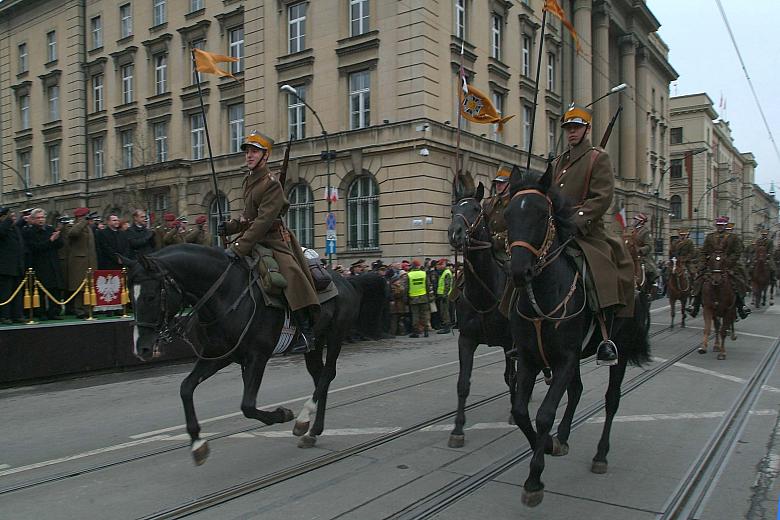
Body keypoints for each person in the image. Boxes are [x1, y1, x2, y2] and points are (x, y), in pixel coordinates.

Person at [218, 130, 320, 347]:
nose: (249, 155)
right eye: (247, 151)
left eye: (255, 151)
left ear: (266, 156)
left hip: (273, 239)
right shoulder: (249, 181)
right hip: (254, 238)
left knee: (289, 275)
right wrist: (230, 226)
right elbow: (248, 217)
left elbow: (263, 221)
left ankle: (306, 331)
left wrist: (238, 246)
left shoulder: (271, 183)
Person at [552, 104, 634, 366]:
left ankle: (606, 336)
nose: (571, 133)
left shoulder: (598, 158)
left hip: (585, 231)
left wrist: (577, 221)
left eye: (576, 128)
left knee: (600, 272)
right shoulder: (558, 162)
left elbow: (601, 198)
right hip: (555, 229)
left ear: (587, 129)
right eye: (568, 128)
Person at [688, 216, 750, 319]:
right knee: (699, 280)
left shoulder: (733, 237)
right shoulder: (710, 237)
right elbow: (704, 251)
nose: (719, 227)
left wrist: (728, 261)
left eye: (721, 225)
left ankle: (741, 306)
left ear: (725, 225)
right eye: (718, 225)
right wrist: (703, 262)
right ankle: (695, 305)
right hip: (712, 266)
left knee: (738, 281)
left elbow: (737, 251)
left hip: (728, 265)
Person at [27, 208, 65, 320]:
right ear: (33, 219)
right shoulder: (30, 232)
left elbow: (59, 245)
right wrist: (50, 240)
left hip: (53, 263)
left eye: (42, 217)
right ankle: (41, 313)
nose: (41, 220)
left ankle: (54, 312)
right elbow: (35, 247)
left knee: (54, 289)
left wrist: (58, 237)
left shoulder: (49, 229)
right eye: (38, 218)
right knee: (41, 290)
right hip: (40, 264)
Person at [65, 207, 98, 319]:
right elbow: (73, 233)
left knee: (89, 286)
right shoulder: (71, 226)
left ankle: (88, 308)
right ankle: (79, 310)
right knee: (79, 287)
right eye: (86, 216)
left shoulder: (88, 228)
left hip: (90, 262)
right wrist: (84, 221)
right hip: (78, 262)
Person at [0, 208, 26, 323]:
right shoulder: (3, 227)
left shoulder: (14, 228)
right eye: (10, 216)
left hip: (17, 266)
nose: (13, 218)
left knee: (17, 292)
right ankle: (5, 315)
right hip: (5, 267)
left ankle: (17, 314)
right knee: (6, 293)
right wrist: (7, 221)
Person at [484, 166, 512, 257]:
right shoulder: (489, 203)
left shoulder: (513, 203)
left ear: (509, 184)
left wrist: (496, 240)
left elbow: (514, 229)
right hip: (486, 246)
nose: (498, 186)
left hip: (505, 250)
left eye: (502, 183)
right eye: (497, 183)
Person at [627, 212, 658, 292]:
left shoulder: (646, 232)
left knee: (649, 269)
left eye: (636, 220)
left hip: (642, 256)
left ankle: (651, 284)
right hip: (631, 254)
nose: (633, 221)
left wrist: (640, 250)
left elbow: (649, 246)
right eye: (634, 220)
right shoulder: (631, 231)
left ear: (641, 221)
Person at [407, 259, 430, 338]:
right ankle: (426, 330)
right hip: (423, 296)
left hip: (413, 298)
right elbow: (427, 285)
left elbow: (407, 287)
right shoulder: (424, 273)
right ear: (419, 266)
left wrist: (406, 298)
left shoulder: (409, 275)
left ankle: (416, 332)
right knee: (424, 314)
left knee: (415, 315)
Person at [435, 259, 453, 334]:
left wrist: (444, 295)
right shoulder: (444, 273)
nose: (437, 267)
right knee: (443, 311)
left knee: (445, 312)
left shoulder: (446, 273)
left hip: (445, 295)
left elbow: (447, 285)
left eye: (439, 265)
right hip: (443, 295)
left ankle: (447, 327)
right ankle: (446, 325)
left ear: (443, 265)